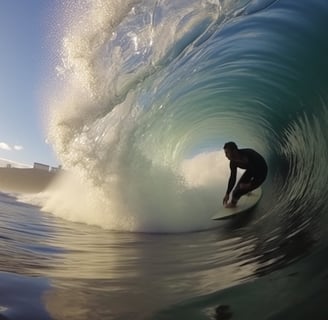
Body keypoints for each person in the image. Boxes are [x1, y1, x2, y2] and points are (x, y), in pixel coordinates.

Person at [223, 141, 267, 208]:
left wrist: (250, 184)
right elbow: (232, 178)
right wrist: (227, 193)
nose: (226, 155)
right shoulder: (233, 163)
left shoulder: (250, 155)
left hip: (262, 173)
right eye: (225, 153)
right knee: (237, 189)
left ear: (234, 151)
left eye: (227, 153)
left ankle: (233, 204)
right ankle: (247, 190)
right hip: (251, 171)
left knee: (237, 193)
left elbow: (261, 170)